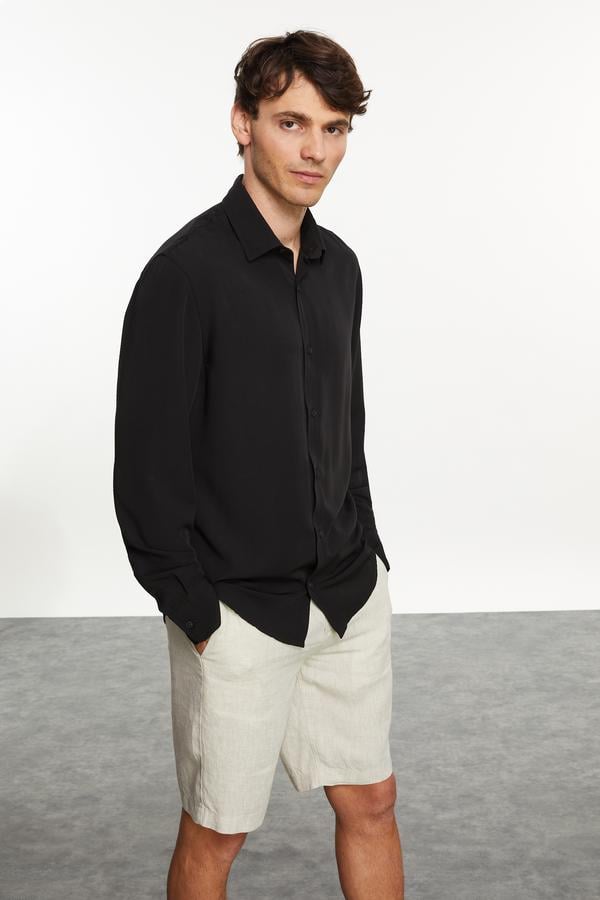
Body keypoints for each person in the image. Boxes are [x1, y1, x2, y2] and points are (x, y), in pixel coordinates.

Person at [113, 28, 404, 900]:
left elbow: (346, 424)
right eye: (292, 123)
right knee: (216, 833)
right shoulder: (183, 276)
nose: (317, 150)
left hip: (346, 594)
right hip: (237, 611)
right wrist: (195, 612)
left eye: (335, 128)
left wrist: (367, 543)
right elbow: (146, 472)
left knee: (373, 801)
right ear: (242, 123)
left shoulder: (341, 268)